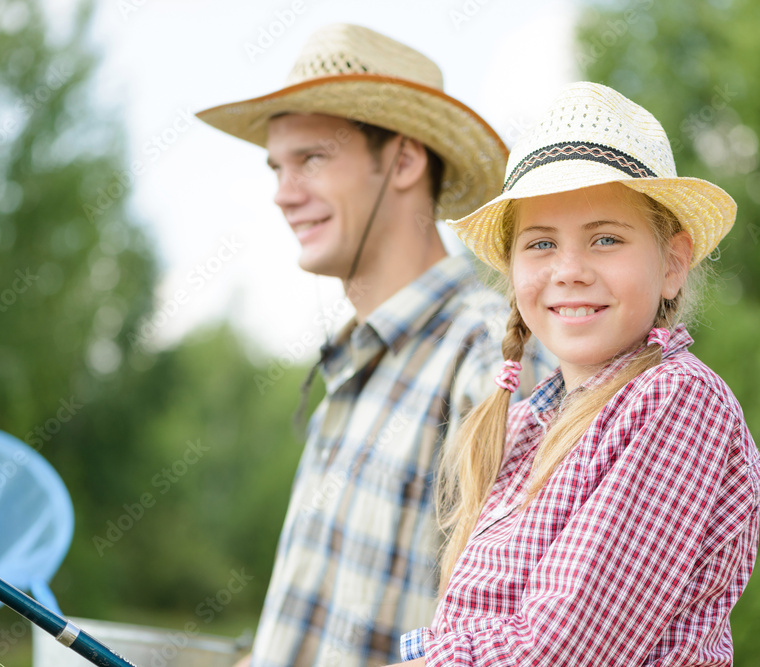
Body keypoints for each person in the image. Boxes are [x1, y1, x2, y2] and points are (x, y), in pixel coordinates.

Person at [196, 24, 553, 667]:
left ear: (405, 160)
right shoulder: (356, 361)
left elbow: (544, 634)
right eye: (278, 166)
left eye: (312, 159)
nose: (283, 192)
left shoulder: (493, 357)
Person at [393, 82, 760, 666]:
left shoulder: (678, 401)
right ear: (515, 272)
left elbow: (564, 649)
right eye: (541, 243)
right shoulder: (522, 426)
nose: (569, 270)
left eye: (605, 239)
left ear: (672, 265)